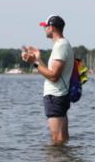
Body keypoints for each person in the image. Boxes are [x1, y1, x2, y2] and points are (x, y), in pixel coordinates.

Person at [23, 15, 74, 144]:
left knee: (57, 140)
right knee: (62, 139)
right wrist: (37, 59)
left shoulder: (60, 46)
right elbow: (51, 73)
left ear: (51, 28)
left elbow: (53, 76)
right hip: (59, 96)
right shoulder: (62, 45)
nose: (44, 29)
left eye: (45, 27)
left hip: (55, 97)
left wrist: (33, 64)